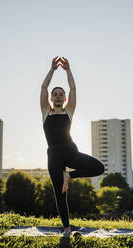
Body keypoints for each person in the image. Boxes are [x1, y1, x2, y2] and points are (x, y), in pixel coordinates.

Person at [40, 56, 105, 235]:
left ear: (65, 98)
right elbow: (44, 87)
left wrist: (68, 70)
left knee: (99, 167)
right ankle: (67, 228)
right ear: (51, 98)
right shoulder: (46, 112)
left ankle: (70, 175)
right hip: (53, 155)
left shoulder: (69, 111)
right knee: (60, 193)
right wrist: (52, 70)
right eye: (56, 94)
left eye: (61, 94)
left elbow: (73, 88)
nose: (58, 95)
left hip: (70, 151)